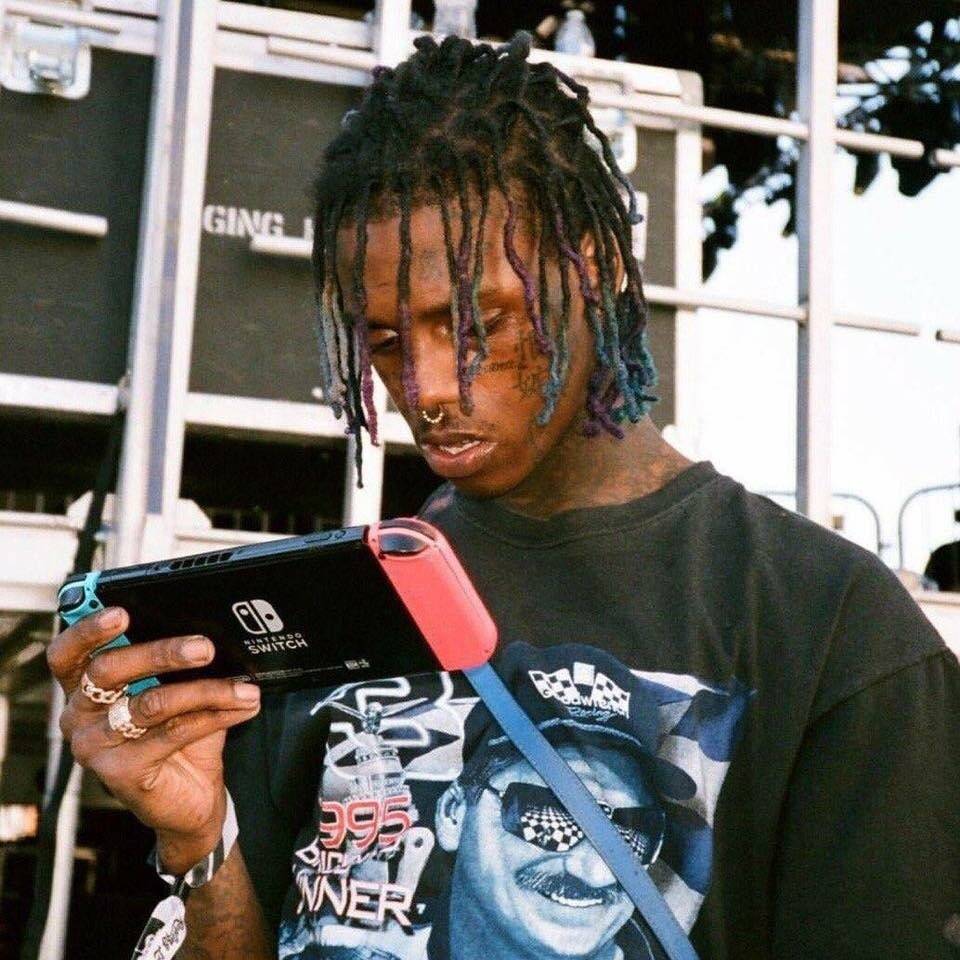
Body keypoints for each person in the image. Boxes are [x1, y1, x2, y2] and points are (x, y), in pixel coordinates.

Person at [47, 32, 960, 960]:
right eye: (386, 341)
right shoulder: (333, 611)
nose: (429, 388)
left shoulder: (831, 629)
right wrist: (199, 842)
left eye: (477, 323)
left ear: (595, 265)